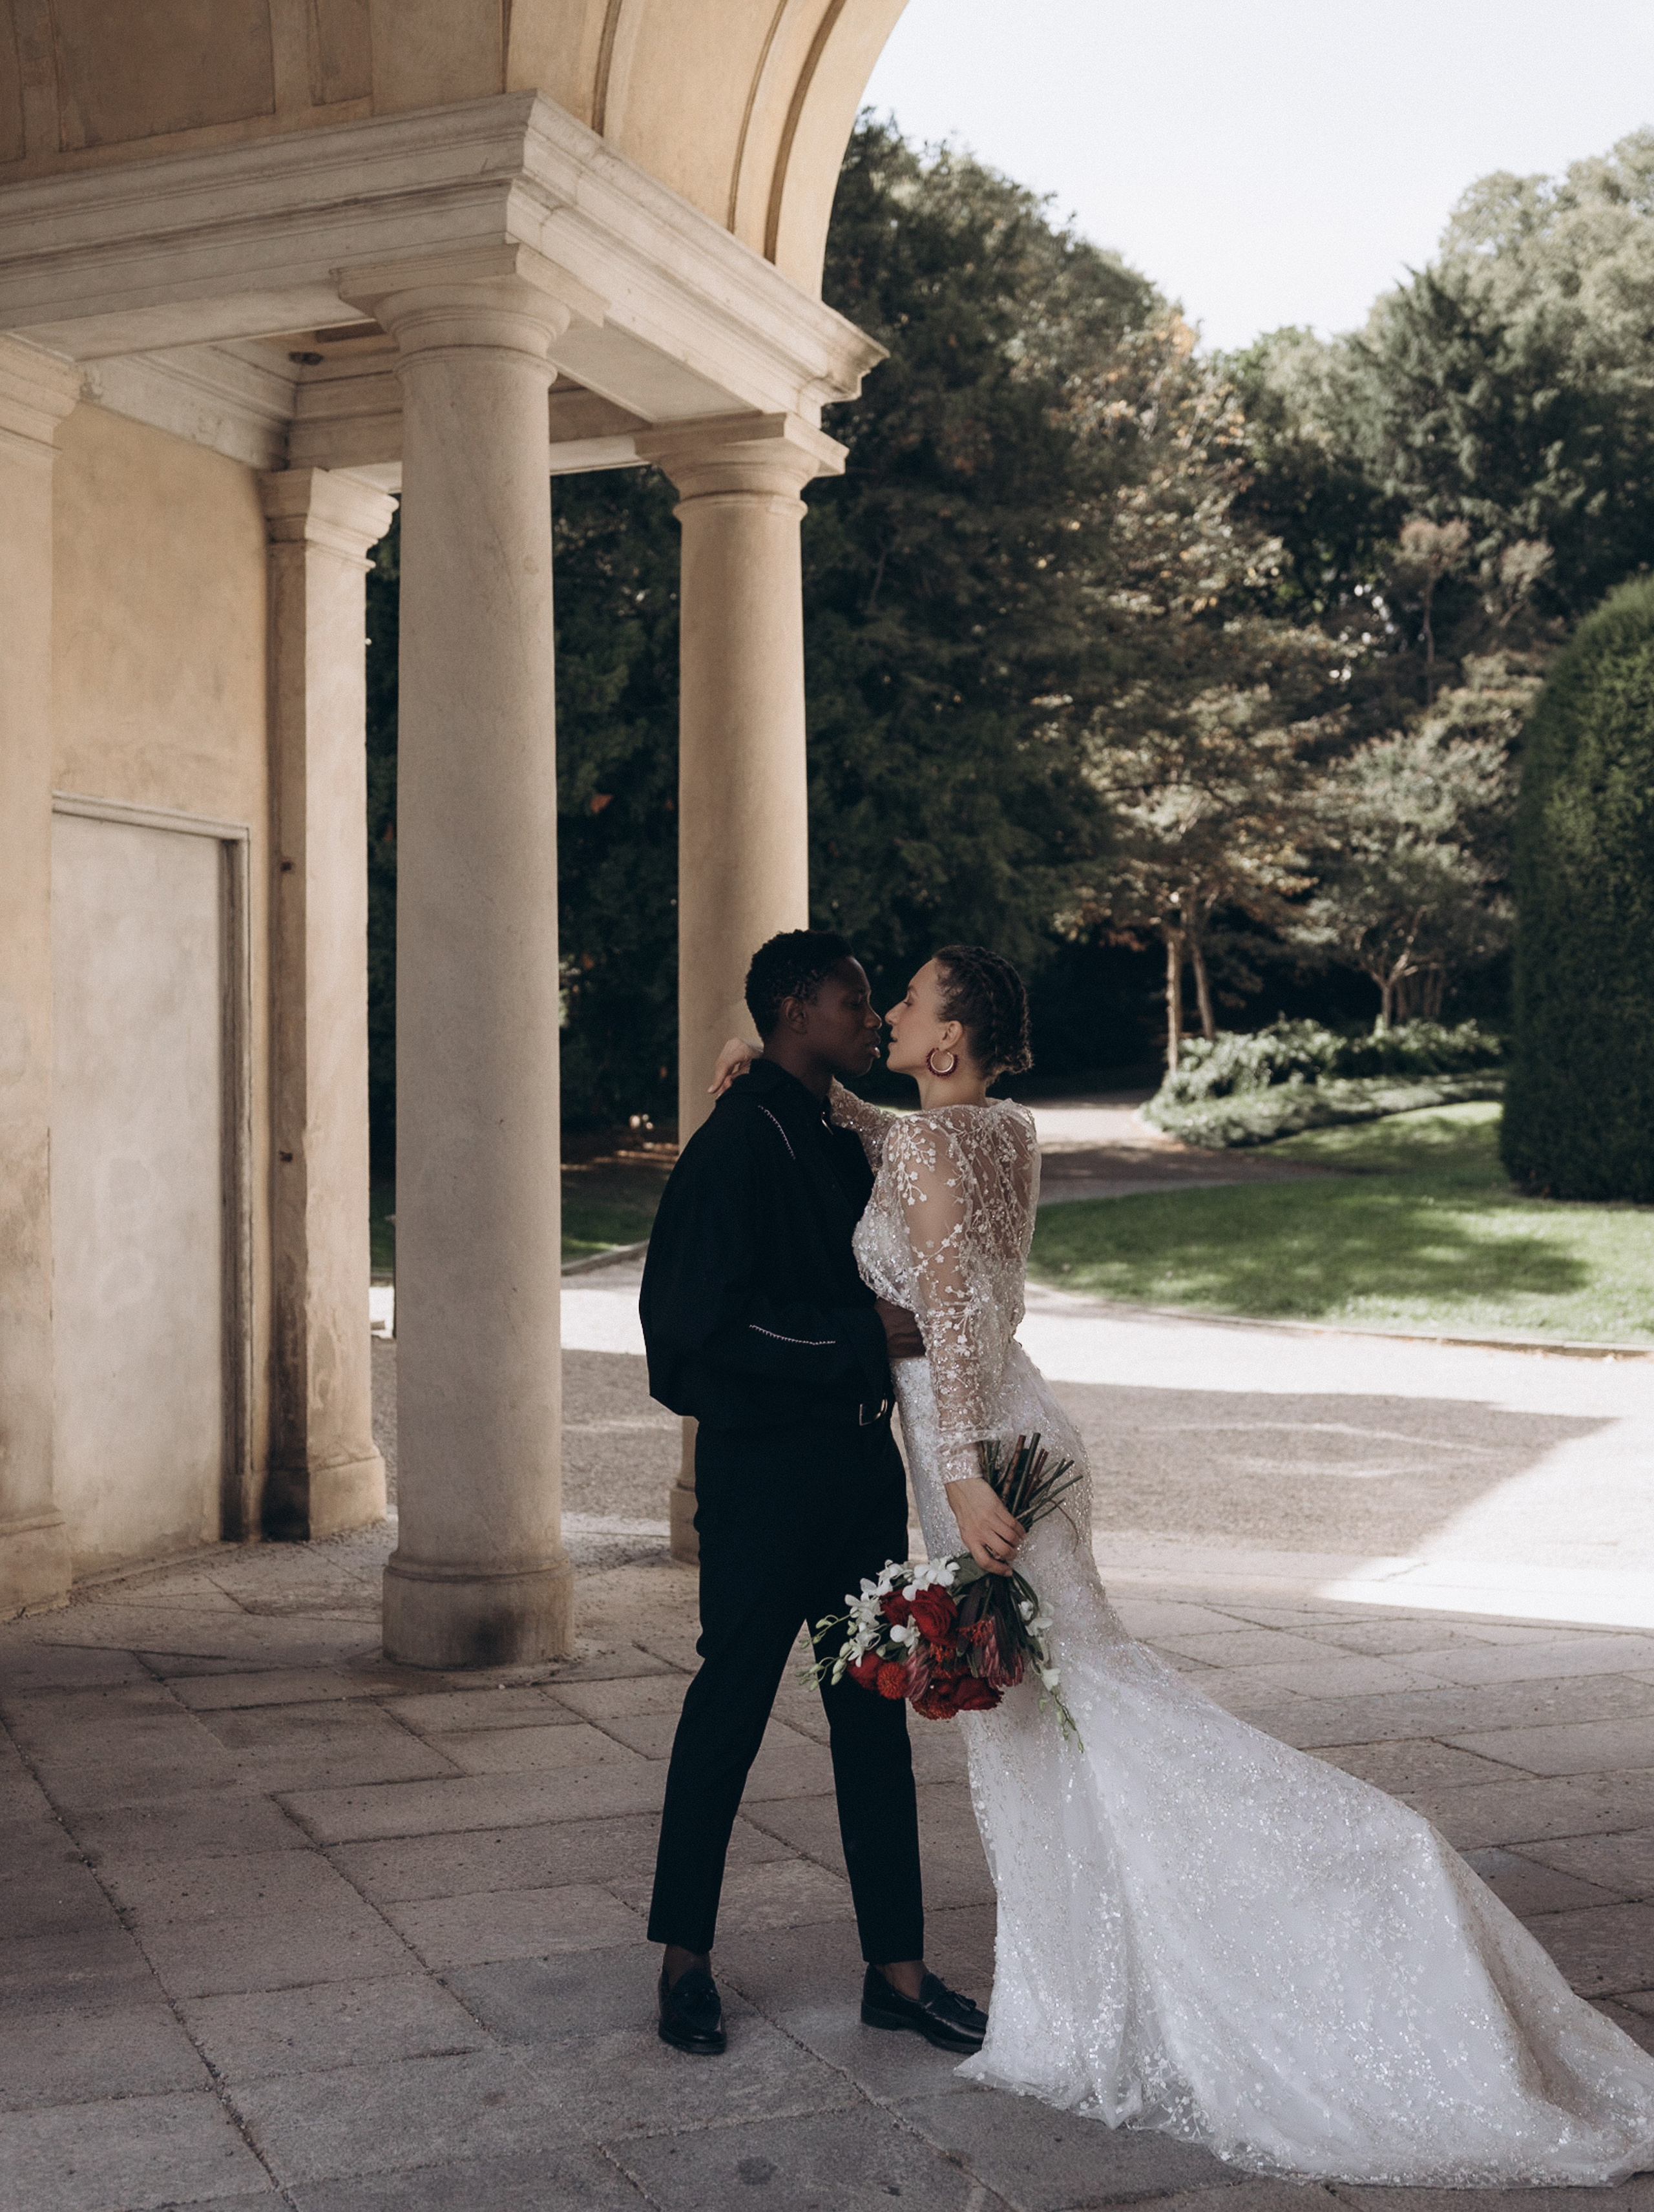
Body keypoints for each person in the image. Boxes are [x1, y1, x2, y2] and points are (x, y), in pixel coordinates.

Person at [707, 943, 1654, 2183]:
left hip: (980, 1453)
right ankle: (1097, 1979)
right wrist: (822, 1093)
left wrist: (959, 1478)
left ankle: (1318, 1894)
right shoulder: (1001, 1130)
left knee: (1070, 1718)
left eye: (911, 1001)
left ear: (945, 1040)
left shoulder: (937, 1148)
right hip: (1029, 1428)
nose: (886, 1011)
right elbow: (908, 1154)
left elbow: (953, 1317)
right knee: (1072, 1707)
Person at [640, 928, 987, 2061]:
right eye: (851, 1000)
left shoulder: (841, 1134)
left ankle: (898, 1973)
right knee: (729, 1712)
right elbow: (686, 1333)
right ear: (796, 1009)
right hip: (762, 1484)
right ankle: (683, 1964)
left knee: (872, 1719)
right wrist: (855, 1337)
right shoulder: (733, 1145)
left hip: (856, 1478)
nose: (870, 1017)